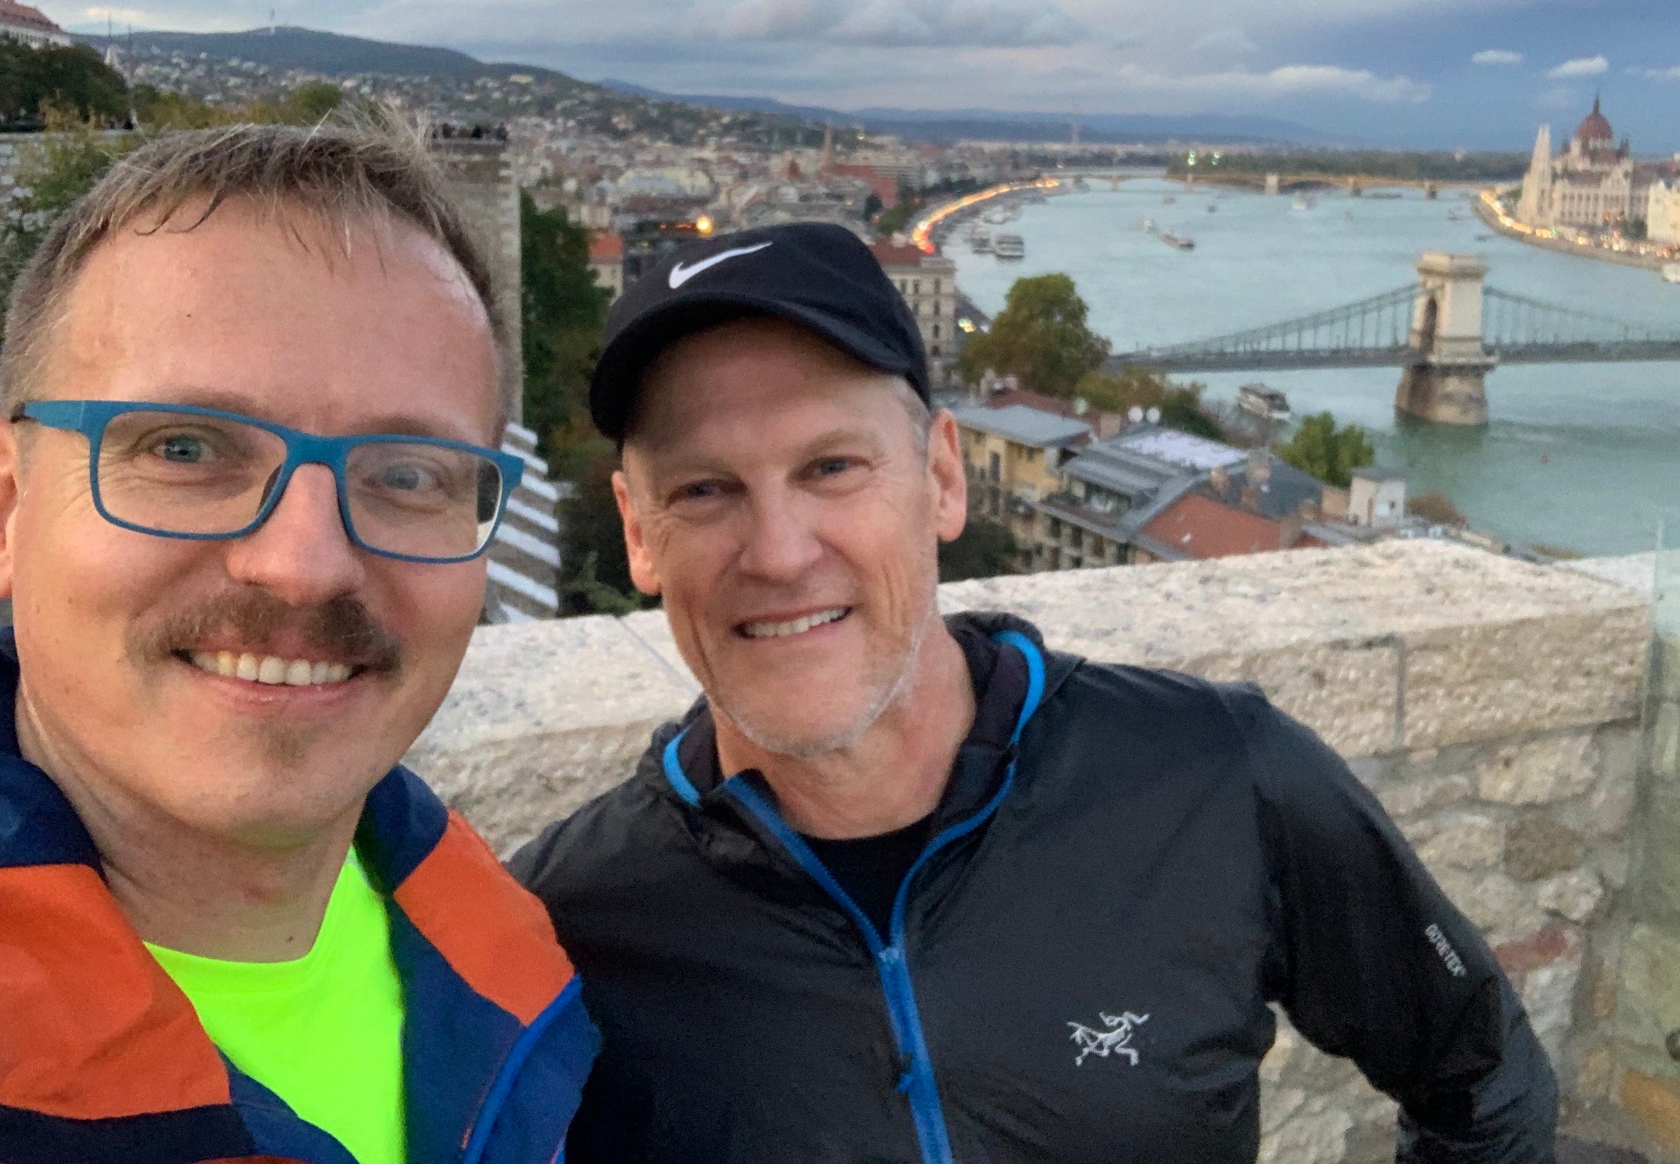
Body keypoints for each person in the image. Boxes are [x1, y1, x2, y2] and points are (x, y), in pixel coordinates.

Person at [515, 220, 1559, 1163]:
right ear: (640, 532)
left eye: (831, 467)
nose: (781, 554)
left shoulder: (1213, 779)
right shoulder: (561, 932)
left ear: (942, 479)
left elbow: (1482, 1081)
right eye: (704, 490)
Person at [0, 126, 596, 1164]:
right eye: (185, 448)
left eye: (407, 474)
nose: (304, 565)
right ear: (11, 511)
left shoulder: (512, 960)